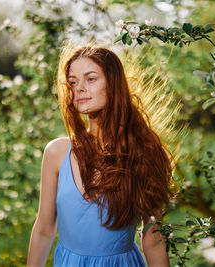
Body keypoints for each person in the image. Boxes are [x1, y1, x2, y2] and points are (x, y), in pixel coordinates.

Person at [27, 45, 176, 267]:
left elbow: (153, 232)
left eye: (91, 79)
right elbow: (43, 229)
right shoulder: (56, 153)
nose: (79, 89)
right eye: (73, 82)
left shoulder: (142, 151)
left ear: (113, 84)